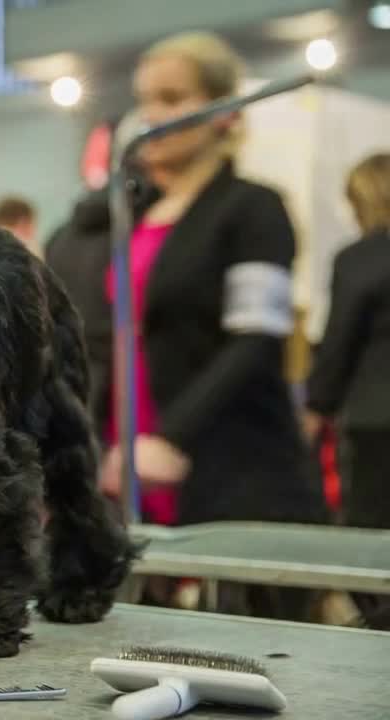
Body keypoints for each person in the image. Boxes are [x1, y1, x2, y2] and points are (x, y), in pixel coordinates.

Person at [97, 31, 328, 617]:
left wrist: (172, 435)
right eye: (146, 99)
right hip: (133, 474)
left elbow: (255, 340)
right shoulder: (139, 213)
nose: (153, 115)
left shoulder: (253, 207)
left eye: (174, 98)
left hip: (233, 465)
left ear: (224, 111)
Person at [303, 153, 390, 629]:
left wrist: (316, 408)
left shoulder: (358, 259)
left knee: (368, 537)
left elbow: (339, 345)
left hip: (375, 419)